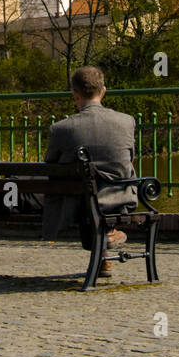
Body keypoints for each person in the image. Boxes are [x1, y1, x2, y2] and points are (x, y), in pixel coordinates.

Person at [41, 66, 138, 278]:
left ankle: (103, 248)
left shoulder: (61, 129)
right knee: (97, 189)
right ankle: (107, 240)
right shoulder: (126, 121)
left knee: (87, 193)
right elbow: (129, 159)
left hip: (78, 203)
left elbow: (50, 167)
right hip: (120, 198)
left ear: (75, 94)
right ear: (103, 91)